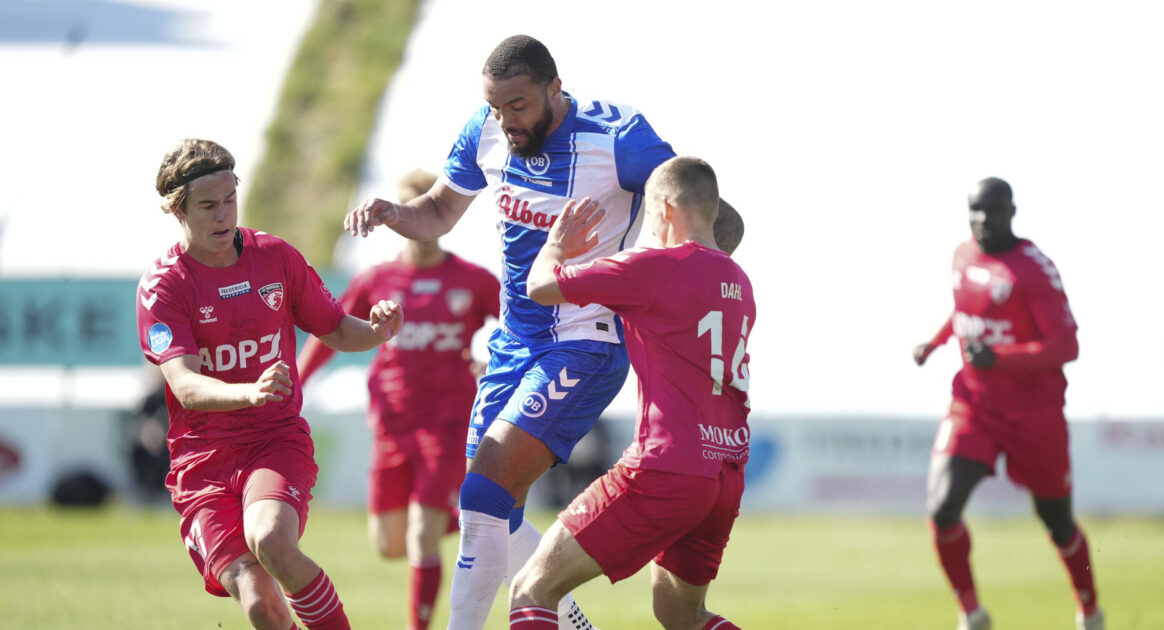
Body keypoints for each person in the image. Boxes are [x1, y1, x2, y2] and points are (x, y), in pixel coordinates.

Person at [343, 35, 744, 630]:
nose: (506, 120)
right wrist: (394, 214)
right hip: (514, 344)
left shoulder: (618, 136)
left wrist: (688, 283)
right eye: (496, 107)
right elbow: (439, 212)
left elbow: (703, 213)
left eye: (519, 106)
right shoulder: (485, 128)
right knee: (488, 511)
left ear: (555, 89)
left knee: (483, 492)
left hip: (586, 341)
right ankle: (571, 622)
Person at [136, 138, 403, 630]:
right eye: (208, 206)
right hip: (202, 461)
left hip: (273, 440)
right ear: (178, 211)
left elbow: (337, 328)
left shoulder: (274, 257)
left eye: (229, 200)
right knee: (262, 606)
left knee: (272, 539)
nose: (223, 215)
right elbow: (185, 385)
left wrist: (378, 331)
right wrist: (250, 391)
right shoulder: (164, 285)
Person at [508, 156, 753, 630]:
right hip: (724, 473)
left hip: (666, 467)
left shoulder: (653, 267)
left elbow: (540, 286)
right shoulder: (739, 283)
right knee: (681, 614)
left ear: (665, 208)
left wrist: (556, 245)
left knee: (532, 588)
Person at [297, 170, 501, 630]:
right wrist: (297, 382)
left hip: (447, 425)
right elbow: (331, 330)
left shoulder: (472, 279)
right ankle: (464, 516)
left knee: (420, 537)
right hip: (392, 423)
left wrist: (494, 363)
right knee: (389, 544)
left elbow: (518, 327)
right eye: (407, 215)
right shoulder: (377, 279)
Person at [913, 177, 1103, 630]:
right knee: (942, 508)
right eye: (974, 210)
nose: (982, 219)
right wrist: (936, 342)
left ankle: (1090, 611)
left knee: (1057, 521)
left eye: (992, 210)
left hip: (1034, 413)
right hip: (974, 404)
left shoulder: (1033, 270)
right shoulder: (962, 255)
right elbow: (967, 311)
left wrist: (1001, 357)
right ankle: (972, 614)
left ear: (1012, 212)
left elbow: (1067, 345)